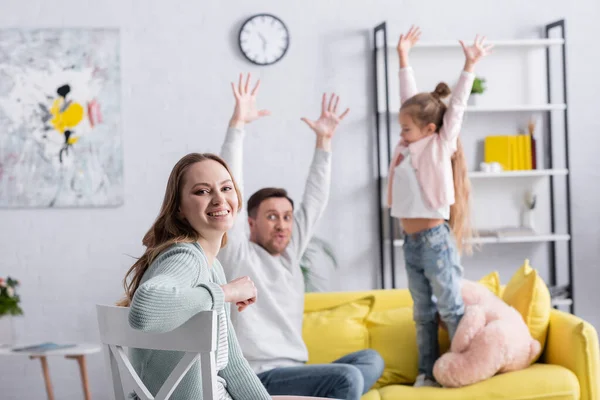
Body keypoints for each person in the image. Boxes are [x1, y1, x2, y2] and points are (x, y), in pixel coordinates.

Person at [216, 73, 384, 400]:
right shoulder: (239, 253)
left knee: (371, 359)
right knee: (348, 378)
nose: (282, 225)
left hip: (295, 369)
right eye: (271, 217)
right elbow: (230, 186)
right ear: (250, 222)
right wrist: (238, 124)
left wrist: (324, 141)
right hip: (258, 377)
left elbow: (316, 199)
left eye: (287, 218)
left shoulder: (291, 257)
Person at [117, 152, 319, 399]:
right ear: (179, 208)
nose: (219, 199)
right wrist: (226, 292)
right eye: (202, 191)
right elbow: (145, 311)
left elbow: (234, 368)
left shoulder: (212, 267)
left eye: (226, 188)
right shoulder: (185, 257)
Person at [386, 26, 493, 387]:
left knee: (450, 308)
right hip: (410, 244)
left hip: (434, 241)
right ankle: (427, 373)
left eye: (406, 130)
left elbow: (457, 107)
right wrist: (403, 57)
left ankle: (467, 368)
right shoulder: (409, 143)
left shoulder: (439, 145)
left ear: (431, 129)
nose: (400, 135)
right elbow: (408, 100)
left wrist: (469, 65)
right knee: (422, 313)